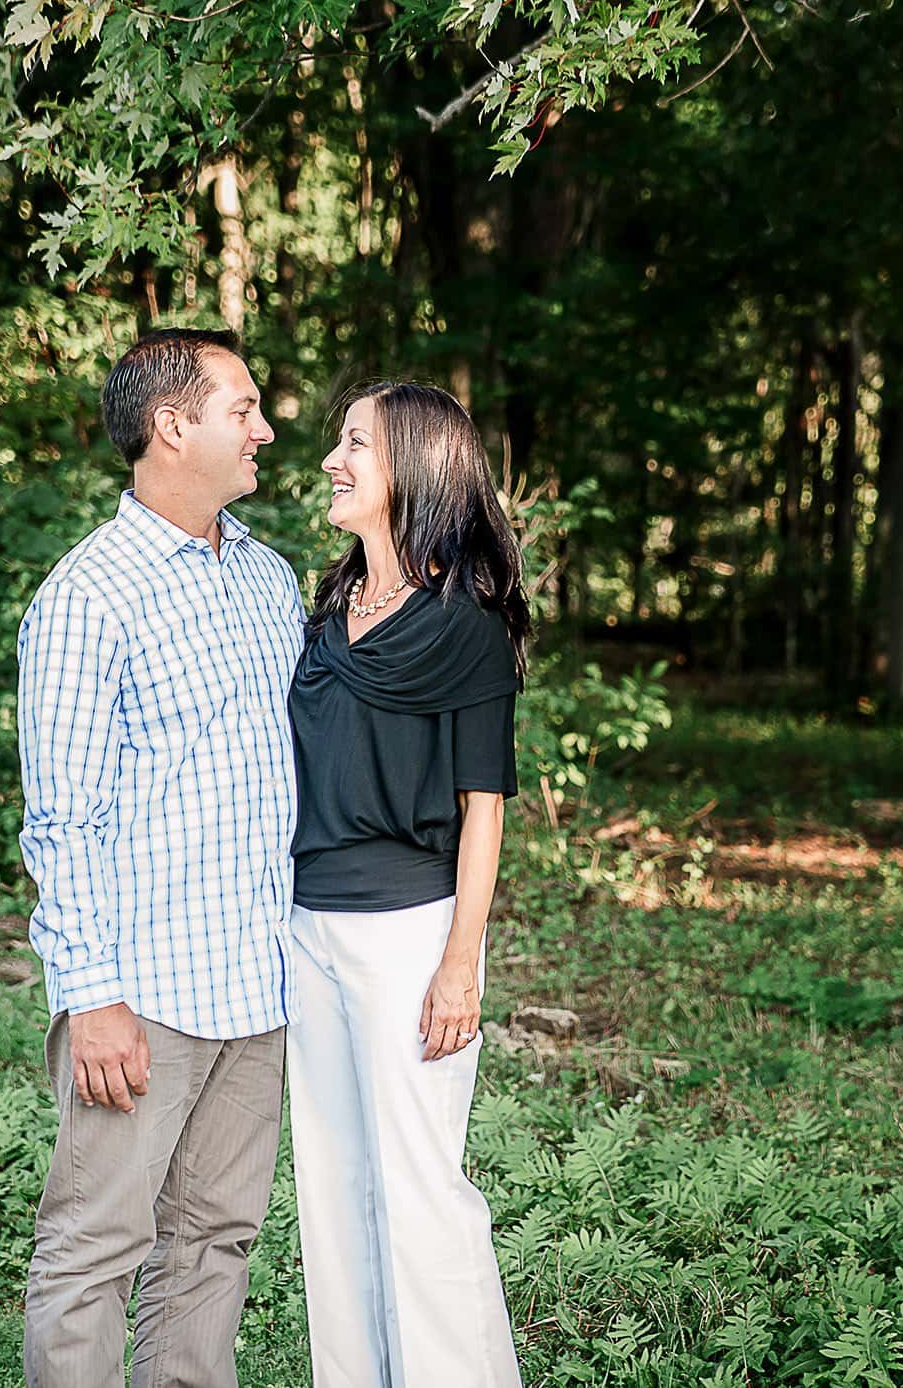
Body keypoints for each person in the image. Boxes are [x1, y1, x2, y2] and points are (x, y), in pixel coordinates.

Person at [16, 328, 304, 1388]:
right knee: (96, 1250)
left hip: (259, 984)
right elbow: (64, 818)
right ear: (171, 425)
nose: (266, 429)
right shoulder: (88, 597)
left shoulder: (269, 579)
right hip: (143, 996)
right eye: (244, 407)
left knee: (215, 1243)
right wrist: (90, 995)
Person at [286, 381, 529, 1388]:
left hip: (407, 934)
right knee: (335, 1195)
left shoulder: (463, 626)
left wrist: (459, 963)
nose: (334, 460)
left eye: (357, 444)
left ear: (415, 471)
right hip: (305, 928)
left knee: (421, 1191)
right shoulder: (332, 603)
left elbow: (485, 805)